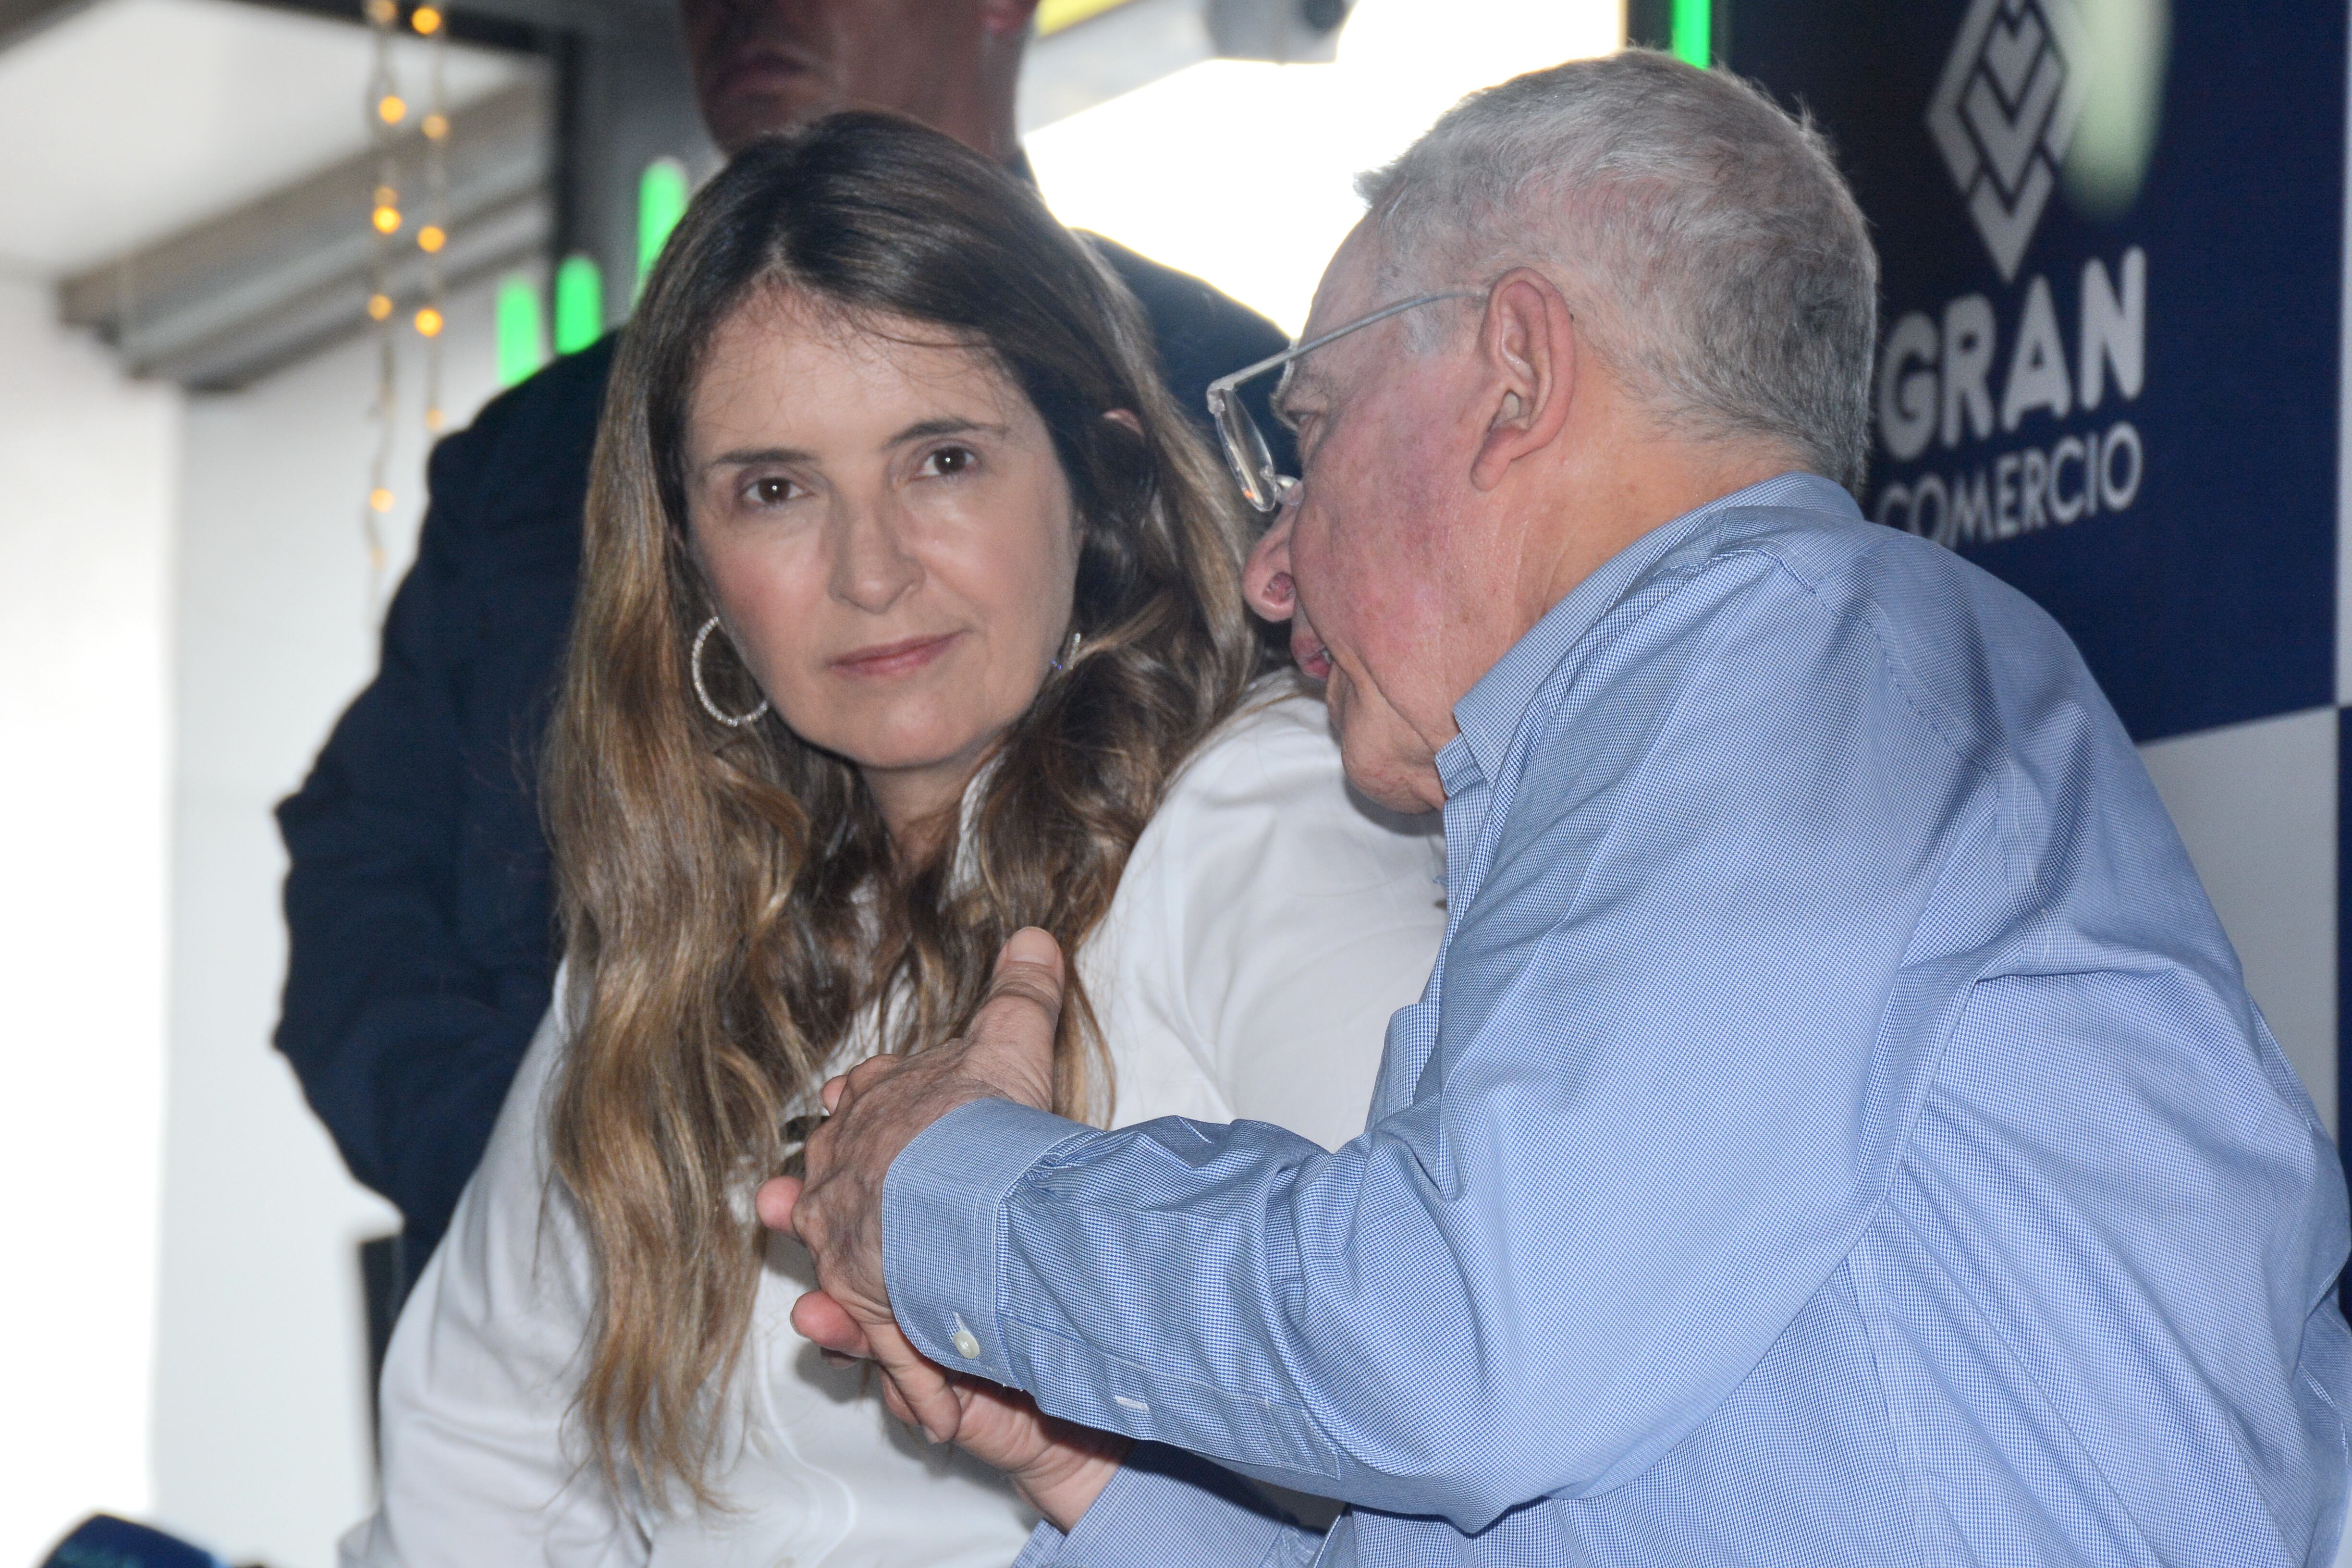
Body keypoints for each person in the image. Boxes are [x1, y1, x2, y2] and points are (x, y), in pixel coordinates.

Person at [777, 51, 2352, 1567]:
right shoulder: (1702, 736)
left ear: (1516, 373)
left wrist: (958, 1189)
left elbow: (1450, 1345)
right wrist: (1099, 1479)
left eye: (1305, 439)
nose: (1266, 572)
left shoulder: (1790, 650)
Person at [340, 115, 1443, 1565]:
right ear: (690, 561)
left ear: (1098, 481)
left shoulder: (1259, 818)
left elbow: (1425, 1388)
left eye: (941, 461)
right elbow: (473, 1459)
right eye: (776, 489)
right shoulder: (683, 936)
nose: (868, 573)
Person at [274, 0, 1295, 1294]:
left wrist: (1005, 1205)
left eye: (944, 460)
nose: (750, 9)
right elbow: (368, 879)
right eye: (768, 490)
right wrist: (573, 1199)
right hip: (586, 1320)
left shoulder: (1212, 382)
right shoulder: (534, 451)